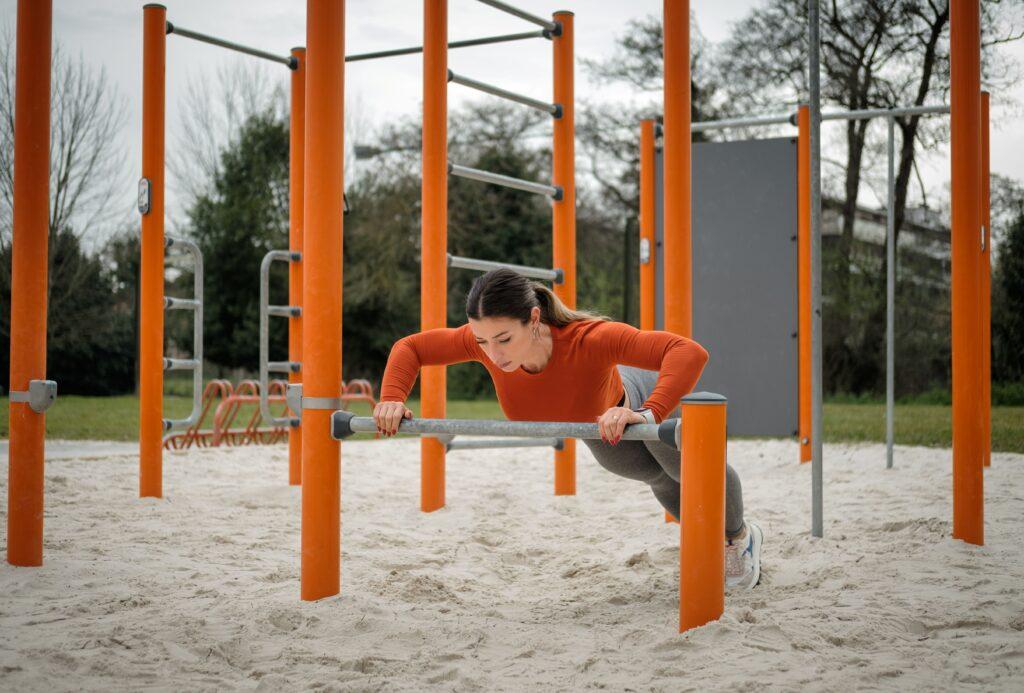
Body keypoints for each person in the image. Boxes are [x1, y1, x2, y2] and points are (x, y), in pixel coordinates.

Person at [374, 269, 762, 589]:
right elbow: (411, 348)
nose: (493, 354)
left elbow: (689, 352)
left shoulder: (587, 340)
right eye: (482, 341)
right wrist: (392, 396)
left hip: (642, 398)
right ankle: (714, 537)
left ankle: (738, 537)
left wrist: (648, 413)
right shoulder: (484, 344)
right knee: (652, 475)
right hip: (596, 425)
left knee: (683, 469)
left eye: (505, 339)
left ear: (535, 319)